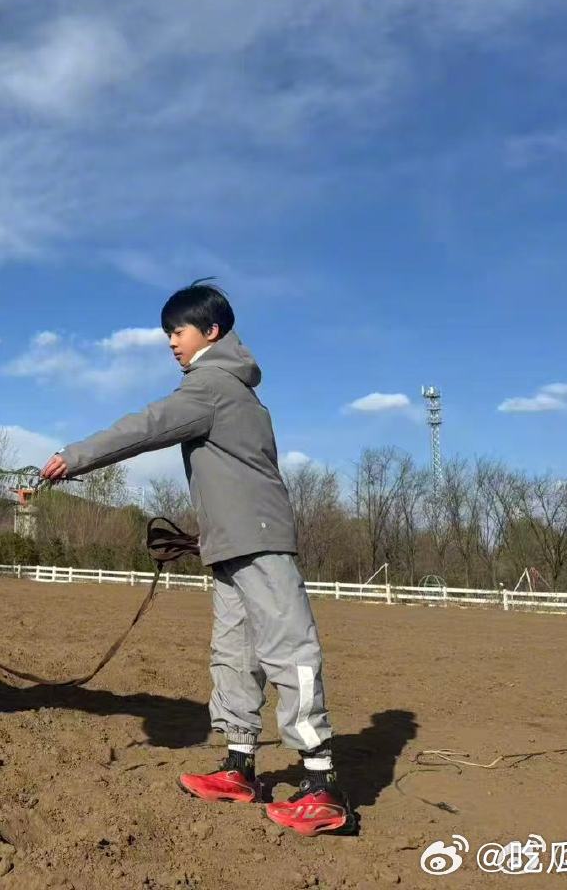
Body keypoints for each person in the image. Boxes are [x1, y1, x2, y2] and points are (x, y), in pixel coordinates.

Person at [40, 280, 355, 836]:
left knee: (288, 647)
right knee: (234, 652)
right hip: (231, 543)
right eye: (167, 333)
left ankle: (321, 783)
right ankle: (240, 767)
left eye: (177, 331)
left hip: (258, 540)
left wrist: (73, 458)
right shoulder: (228, 389)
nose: (170, 343)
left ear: (212, 332)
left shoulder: (212, 385)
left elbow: (146, 426)